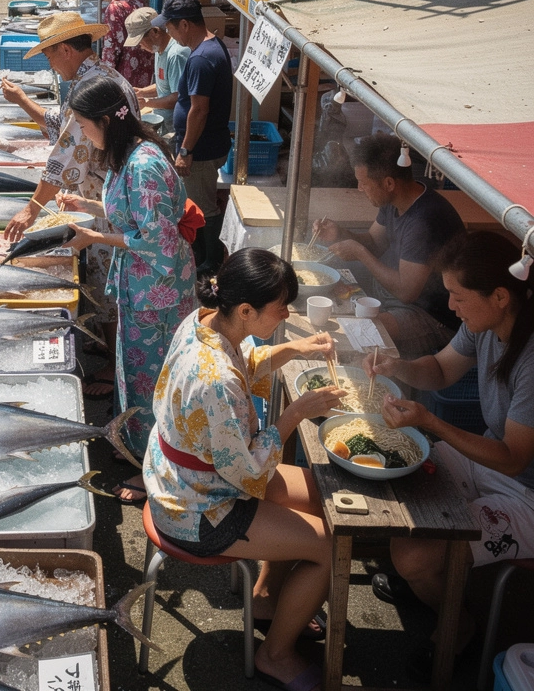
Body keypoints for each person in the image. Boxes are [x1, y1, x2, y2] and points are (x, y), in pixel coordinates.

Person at [144, 248, 343, 691]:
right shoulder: (215, 379)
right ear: (247, 310)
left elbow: (244, 361)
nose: (287, 314)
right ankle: (275, 655)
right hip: (197, 509)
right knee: (331, 547)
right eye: (281, 309)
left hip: (191, 478)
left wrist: (294, 347)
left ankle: (269, 598)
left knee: (322, 497)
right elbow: (250, 475)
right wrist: (296, 413)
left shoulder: (203, 321)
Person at [365, 231, 534, 683]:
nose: (452, 306)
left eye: (458, 296)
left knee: (414, 555)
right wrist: (396, 365)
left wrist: (432, 423)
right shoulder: (484, 326)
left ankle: (457, 624)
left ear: (500, 296)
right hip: (487, 460)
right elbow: (439, 369)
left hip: (527, 494)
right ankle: (432, 588)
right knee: (400, 489)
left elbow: (514, 459)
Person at [55, 74, 196, 497]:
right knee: (136, 372)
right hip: (143, 286)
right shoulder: (128, 155)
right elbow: (136, 213)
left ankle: (153, 470)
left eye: (82, 123)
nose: (80, 132)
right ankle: (132, 445)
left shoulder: (144, 163)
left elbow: (158, 239)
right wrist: (89, 205)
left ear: (104, 120)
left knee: (154, 380)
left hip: (159, 291)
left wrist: (95, 236)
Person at [2, 12, 138, 352]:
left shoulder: (94, 86)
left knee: (108, 279)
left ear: (65, 49)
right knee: (99, 270)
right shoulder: (95, 76)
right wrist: (21, 99)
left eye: (48, 54)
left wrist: (31, 209)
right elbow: (59, 127)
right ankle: (107, 347)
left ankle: (112, 363)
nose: (49, 63)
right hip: (99, 193)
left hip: (108, 193)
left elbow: (64, 155)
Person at [313, 132, 465, 356]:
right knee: (329, 281)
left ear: (389, 183)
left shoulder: (424, 221)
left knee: (361, 335)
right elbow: (375, 242)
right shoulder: (394, 199)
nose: (359, 189)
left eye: (364, 183)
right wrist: (340, 233)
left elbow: (407, 292)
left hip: (430, 315)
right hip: (393, 296)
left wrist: (360, 253)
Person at [157, 0, 233, 276]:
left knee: (204, 205)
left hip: (201, 148)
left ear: (185, 25)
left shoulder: (202, 57)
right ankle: (203, 253)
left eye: (170, 27)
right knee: (198, 200)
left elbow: (199, 110)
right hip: (207, 143)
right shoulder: (211, 47)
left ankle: (210, 261)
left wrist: (186, 151)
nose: (168, 33)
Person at [125, 5, 190, 136]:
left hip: (177, 126)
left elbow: (178, 96)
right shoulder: (158, 49)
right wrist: (142, 92)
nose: (141, 47)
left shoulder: (175, 54)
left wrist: (147, 103)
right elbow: (164, 86)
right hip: (164, 122)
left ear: (155, 32)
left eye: (141, 41)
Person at [98, 0, 153, 88]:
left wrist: (107, 72)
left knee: (129, 97)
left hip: (128, 62)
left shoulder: (113, 8)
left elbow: (112, 43)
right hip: (145, 56)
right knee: (143, 95)